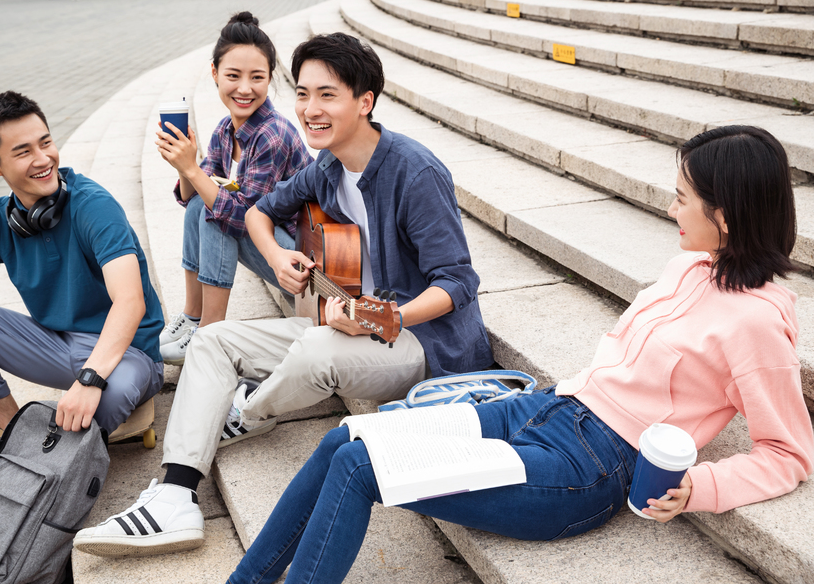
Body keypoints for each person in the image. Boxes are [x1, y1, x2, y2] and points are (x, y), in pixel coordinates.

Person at [222, 125, 814, 584]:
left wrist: (701, 486)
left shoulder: (757, 324)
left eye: (682, 199)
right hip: (547, 409)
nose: (669, 209)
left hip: (590, 469)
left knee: (361, 468)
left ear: (727, 218)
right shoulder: (689, 265)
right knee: (345, 440)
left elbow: (788, 453)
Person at [72, 32, 493, 557]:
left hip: (422, 341)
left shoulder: (414, 170)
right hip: (344, 321)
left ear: (365, 103)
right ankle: (175, 496)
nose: (310, 110)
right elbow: (255, 211)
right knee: (213, 341)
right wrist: (277, 258)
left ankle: (247, 410)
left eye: (328, 95)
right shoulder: (329, 166)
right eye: (304, 94)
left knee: (314, 349)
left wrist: (380, 318)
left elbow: (458, 282)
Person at [0, 91, 165, 440]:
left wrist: (90, 379)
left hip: (129, 354)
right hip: (56, 346)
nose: (43, 159)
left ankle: (55, 452)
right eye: (23, 151)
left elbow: (130, 300)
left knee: (113, 392)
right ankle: (19, 436)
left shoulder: (95, 206)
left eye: (46, 143)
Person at [156, 12, 311, 364]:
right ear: (214, 74)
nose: (245, 88)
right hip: (271, 246)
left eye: (257, 77)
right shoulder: (226, 130)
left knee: (218, 215)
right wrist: (185, 166)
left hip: (298, 258)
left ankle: (209, 332)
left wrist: (192, 169)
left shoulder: (272, 134)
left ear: (270, 78)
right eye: (233, 75)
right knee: (203, 205)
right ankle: (192, 316)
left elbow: (242, 217)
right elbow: (190, 198)